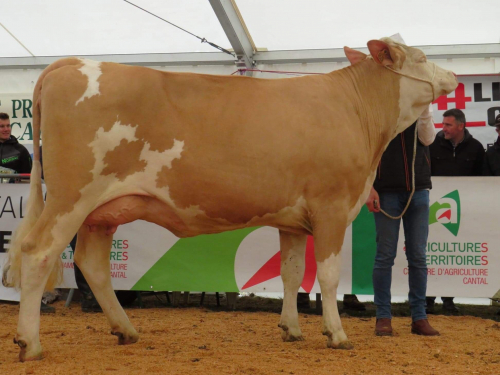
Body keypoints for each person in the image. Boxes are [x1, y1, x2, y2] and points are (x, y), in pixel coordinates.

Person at [366, 104, 439, 336]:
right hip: (386, 191)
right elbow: (367, 151)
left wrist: (424, 109)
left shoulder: (419, 109)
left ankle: (419, 317)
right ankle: (383, 317)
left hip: (419, 190)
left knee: (418, 256)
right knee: (385, 255)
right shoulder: (379, 110)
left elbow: (428, 140)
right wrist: (369, 187)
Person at [426, 108, 485, 313]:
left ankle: (449, 299)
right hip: (434, 209)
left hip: (463, 211)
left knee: (453, 252)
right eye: (443, 124)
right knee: (432, 253)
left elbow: (483, 180)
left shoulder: (476, 148)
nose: (444, 129)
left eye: (448, 125)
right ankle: (428, 299)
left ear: (461, 126)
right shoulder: (432, 144)